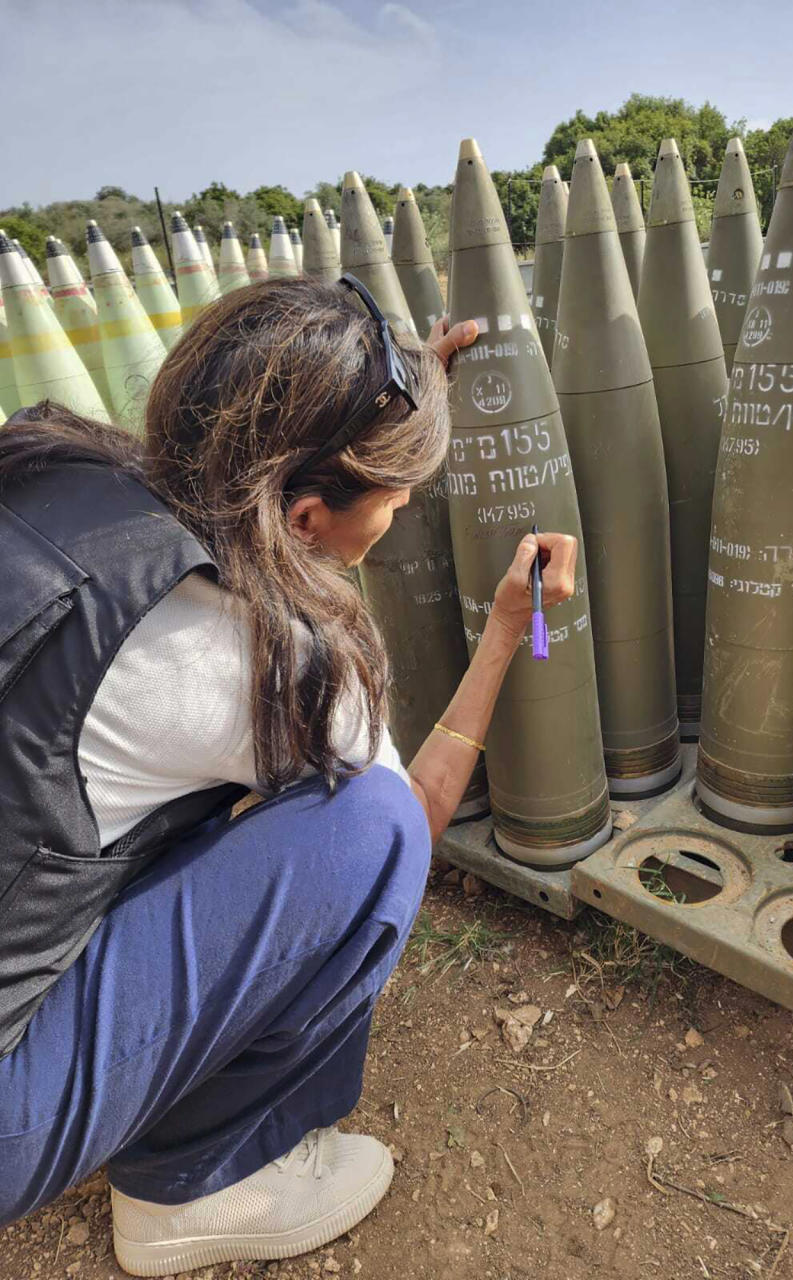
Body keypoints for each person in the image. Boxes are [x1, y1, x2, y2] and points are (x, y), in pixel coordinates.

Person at [0, 275, 578, 1276]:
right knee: (368, 827)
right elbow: (415, 816)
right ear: (308, 514)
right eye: (393, 502)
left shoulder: (50, 462)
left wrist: (396, 401)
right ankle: (189, 1184)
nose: (395, 519)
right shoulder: (265, 664)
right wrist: (501, 635)